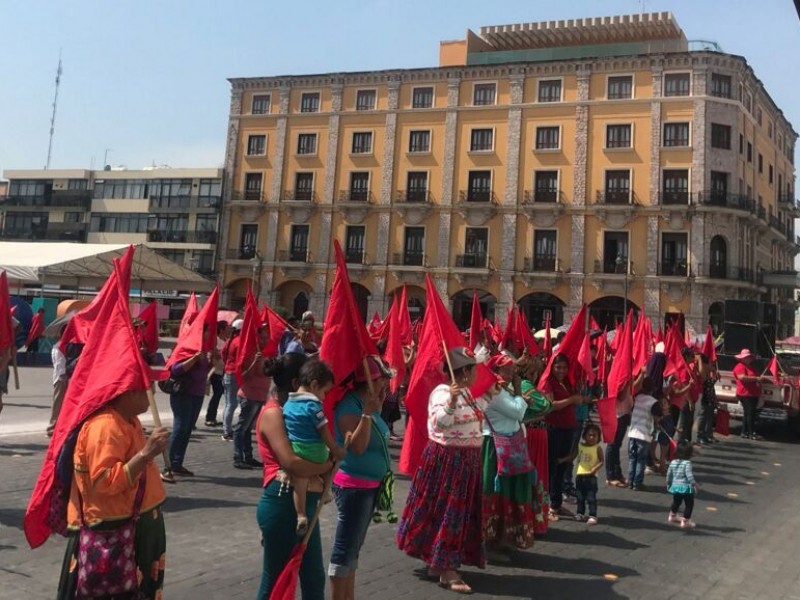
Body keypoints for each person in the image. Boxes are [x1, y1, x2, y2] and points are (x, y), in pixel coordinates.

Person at [56, 389, 170, 600]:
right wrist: (147, 453)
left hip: (132, 528)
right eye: (145, 387)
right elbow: (105, 483)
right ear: (126, 392)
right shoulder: (105, 427)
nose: (151, 391)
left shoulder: (129, 420)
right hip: (113, 535)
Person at [397, 347, 485, 594]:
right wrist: (452, 402)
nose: (477, 373)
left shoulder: (467, 392)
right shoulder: (443, 393)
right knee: (449, 512)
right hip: (449, 461)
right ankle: (448, 570)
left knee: (451, 511)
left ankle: (438, 561)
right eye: (474, 369)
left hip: (467, 460)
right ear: (465, 371)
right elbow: (438, 423)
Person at [256, 352, 334, 600]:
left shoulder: (300, 413)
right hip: (282, 502)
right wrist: (327, 465)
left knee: (313, 578)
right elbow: (292, 463)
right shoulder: (273, 413)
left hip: (307, 501)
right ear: (295, 385)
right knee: (275, 580)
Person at [329, 356, 392, 600]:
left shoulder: (368, 402)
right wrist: (367, 415)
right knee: (345, 551)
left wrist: (374, 408)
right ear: (369, 382)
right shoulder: (350, 407)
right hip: (354, 488)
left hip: (369, 486)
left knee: (354, 551)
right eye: (382, 379)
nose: (386, 383)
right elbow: (357, 446)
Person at [281, 359, 345, 533]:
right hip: (315, 451)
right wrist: (335, 450)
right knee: (330, 464)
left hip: (296, 450)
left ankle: (301, 515)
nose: (324, 397)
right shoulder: (313, 405)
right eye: (325, 392)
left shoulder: (287, 404)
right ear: (315, 385)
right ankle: (326, 490)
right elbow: (324, 432)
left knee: (299, 482)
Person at [482, 353, 534, 562]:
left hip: (507, 445)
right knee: (495, 493)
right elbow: (517, 412)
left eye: (512, 369)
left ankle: (502, 538)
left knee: (506, 493)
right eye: (506, 369)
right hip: (496, 447)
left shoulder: (501, 389)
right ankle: (490, 543)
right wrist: (520, 394)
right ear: (495, 372)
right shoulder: (494, 391)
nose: (512, 373)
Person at [539, 353, 584, 520]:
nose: (561, 370)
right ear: (552, 367)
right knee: (552, 468)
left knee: (563, 466)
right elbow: (550, 406)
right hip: (554, 429)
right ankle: (549, 506)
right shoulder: (547, 382)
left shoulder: (566, 381)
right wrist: (572, 399)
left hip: (568, 428)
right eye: (558, 367)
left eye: (564, 367)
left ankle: (556, 504)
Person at [162, 349, 209, 482]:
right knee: (180, 428)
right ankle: (168, 466)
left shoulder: (204, 350)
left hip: (197, 394)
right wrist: (194, 358)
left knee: (187, 429)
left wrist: (211, 360)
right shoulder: (186, 349)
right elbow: (176, 369)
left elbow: (203, 371)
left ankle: (177, 463)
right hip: (183, 394)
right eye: (206, 332)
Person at [520, 351, 551, 535]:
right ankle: (533, 519)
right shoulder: (526, 385)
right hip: (532, 436)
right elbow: (546, 405)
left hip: (535, 434)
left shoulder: (524, 385)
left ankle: (533, 518)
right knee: (535, 476)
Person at [233, 324, 272, 470]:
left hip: (260, 396)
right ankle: (238, 457)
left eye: (267, 338)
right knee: (241, 428)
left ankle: (248, 457)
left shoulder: (267, 354)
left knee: (248, 428)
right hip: (249, 395)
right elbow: (243, 377)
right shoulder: (249, 354)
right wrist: (255, 362)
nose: (265, 340)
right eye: (262, 338)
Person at [627, 377, 660, 491]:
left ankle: (630, 481)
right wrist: (655, 428)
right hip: (644, 434)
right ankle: (637, 482)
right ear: (653, 389)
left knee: (632, 458)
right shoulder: (654, 402)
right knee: (641, 459)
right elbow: (656, 419)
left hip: (632, 433)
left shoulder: (637, 398)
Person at [570, 423, 604, 525]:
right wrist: (563, 460)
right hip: (580, 476)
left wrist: (595, 468)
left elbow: (602, 461)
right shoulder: (580, 446)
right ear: (584, 436)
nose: (592, 437)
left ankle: (593, 515)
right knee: (579, 496)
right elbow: (573, 455)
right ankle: (580, 513)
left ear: (598, 437)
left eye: (595, 435)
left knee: (591, 497)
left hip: (591, 477)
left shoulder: (597, 448)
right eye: (590, 435)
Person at [732, 348, 768, 440]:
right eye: (746, 357)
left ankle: (745, 432)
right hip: (746, 394)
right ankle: (752, 433)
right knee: (750, 414)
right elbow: (742, 378)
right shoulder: (740, 366)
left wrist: (759, 378)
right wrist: (756, 379)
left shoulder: (749, 367)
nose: (749, 359)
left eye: (749, 357)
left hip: (751, 394)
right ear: (742, 358)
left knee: (748, 414)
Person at [666, 440, 698, 529]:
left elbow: (669, 474)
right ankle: (686, 521)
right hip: (686, 487)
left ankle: (672, 515)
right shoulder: (687, 463)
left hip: (675, 486)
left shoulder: (673, 462)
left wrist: (668, 483)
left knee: (676, 502)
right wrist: (694, 484)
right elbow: (689, 475)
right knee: (689, 504)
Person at [204, 320, 230, 427]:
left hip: (225, 372)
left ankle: (212, 417)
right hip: (216, 372)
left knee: (220, 395)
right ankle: (209, 417)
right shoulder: (216, 340)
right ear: (222, 329)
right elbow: (215, 354)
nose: (229, 329)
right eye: (227, 328)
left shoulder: (227, 340)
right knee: (218, 393)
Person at [221, 319, 243, 441]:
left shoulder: (230, 340)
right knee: (232, 404)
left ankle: (227, 429)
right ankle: (227, 431)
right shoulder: (239, 341)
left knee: (229, 403)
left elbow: (223, 354)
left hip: (227, 373)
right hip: (234, 374)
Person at [47, 326, 68, 437]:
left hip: (61, 377)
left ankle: (57, 426)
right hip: (61, 378)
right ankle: (52, 427)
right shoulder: (61, 346)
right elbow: (60, 365)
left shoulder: (59, 345)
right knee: (58, 403)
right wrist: (64, 377)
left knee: (60, 403)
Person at [654, 397, 676, 473]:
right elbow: (657, 424)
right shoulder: (661, 416)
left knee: (664, 453)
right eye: (661, 403)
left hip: (667, 435)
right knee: (663, 453)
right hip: (664, 435)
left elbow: (671, 425)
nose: (663, 405)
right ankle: (662, 469)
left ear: (668, 405)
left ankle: (661, 467)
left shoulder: (669, 415)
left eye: (665, 403)